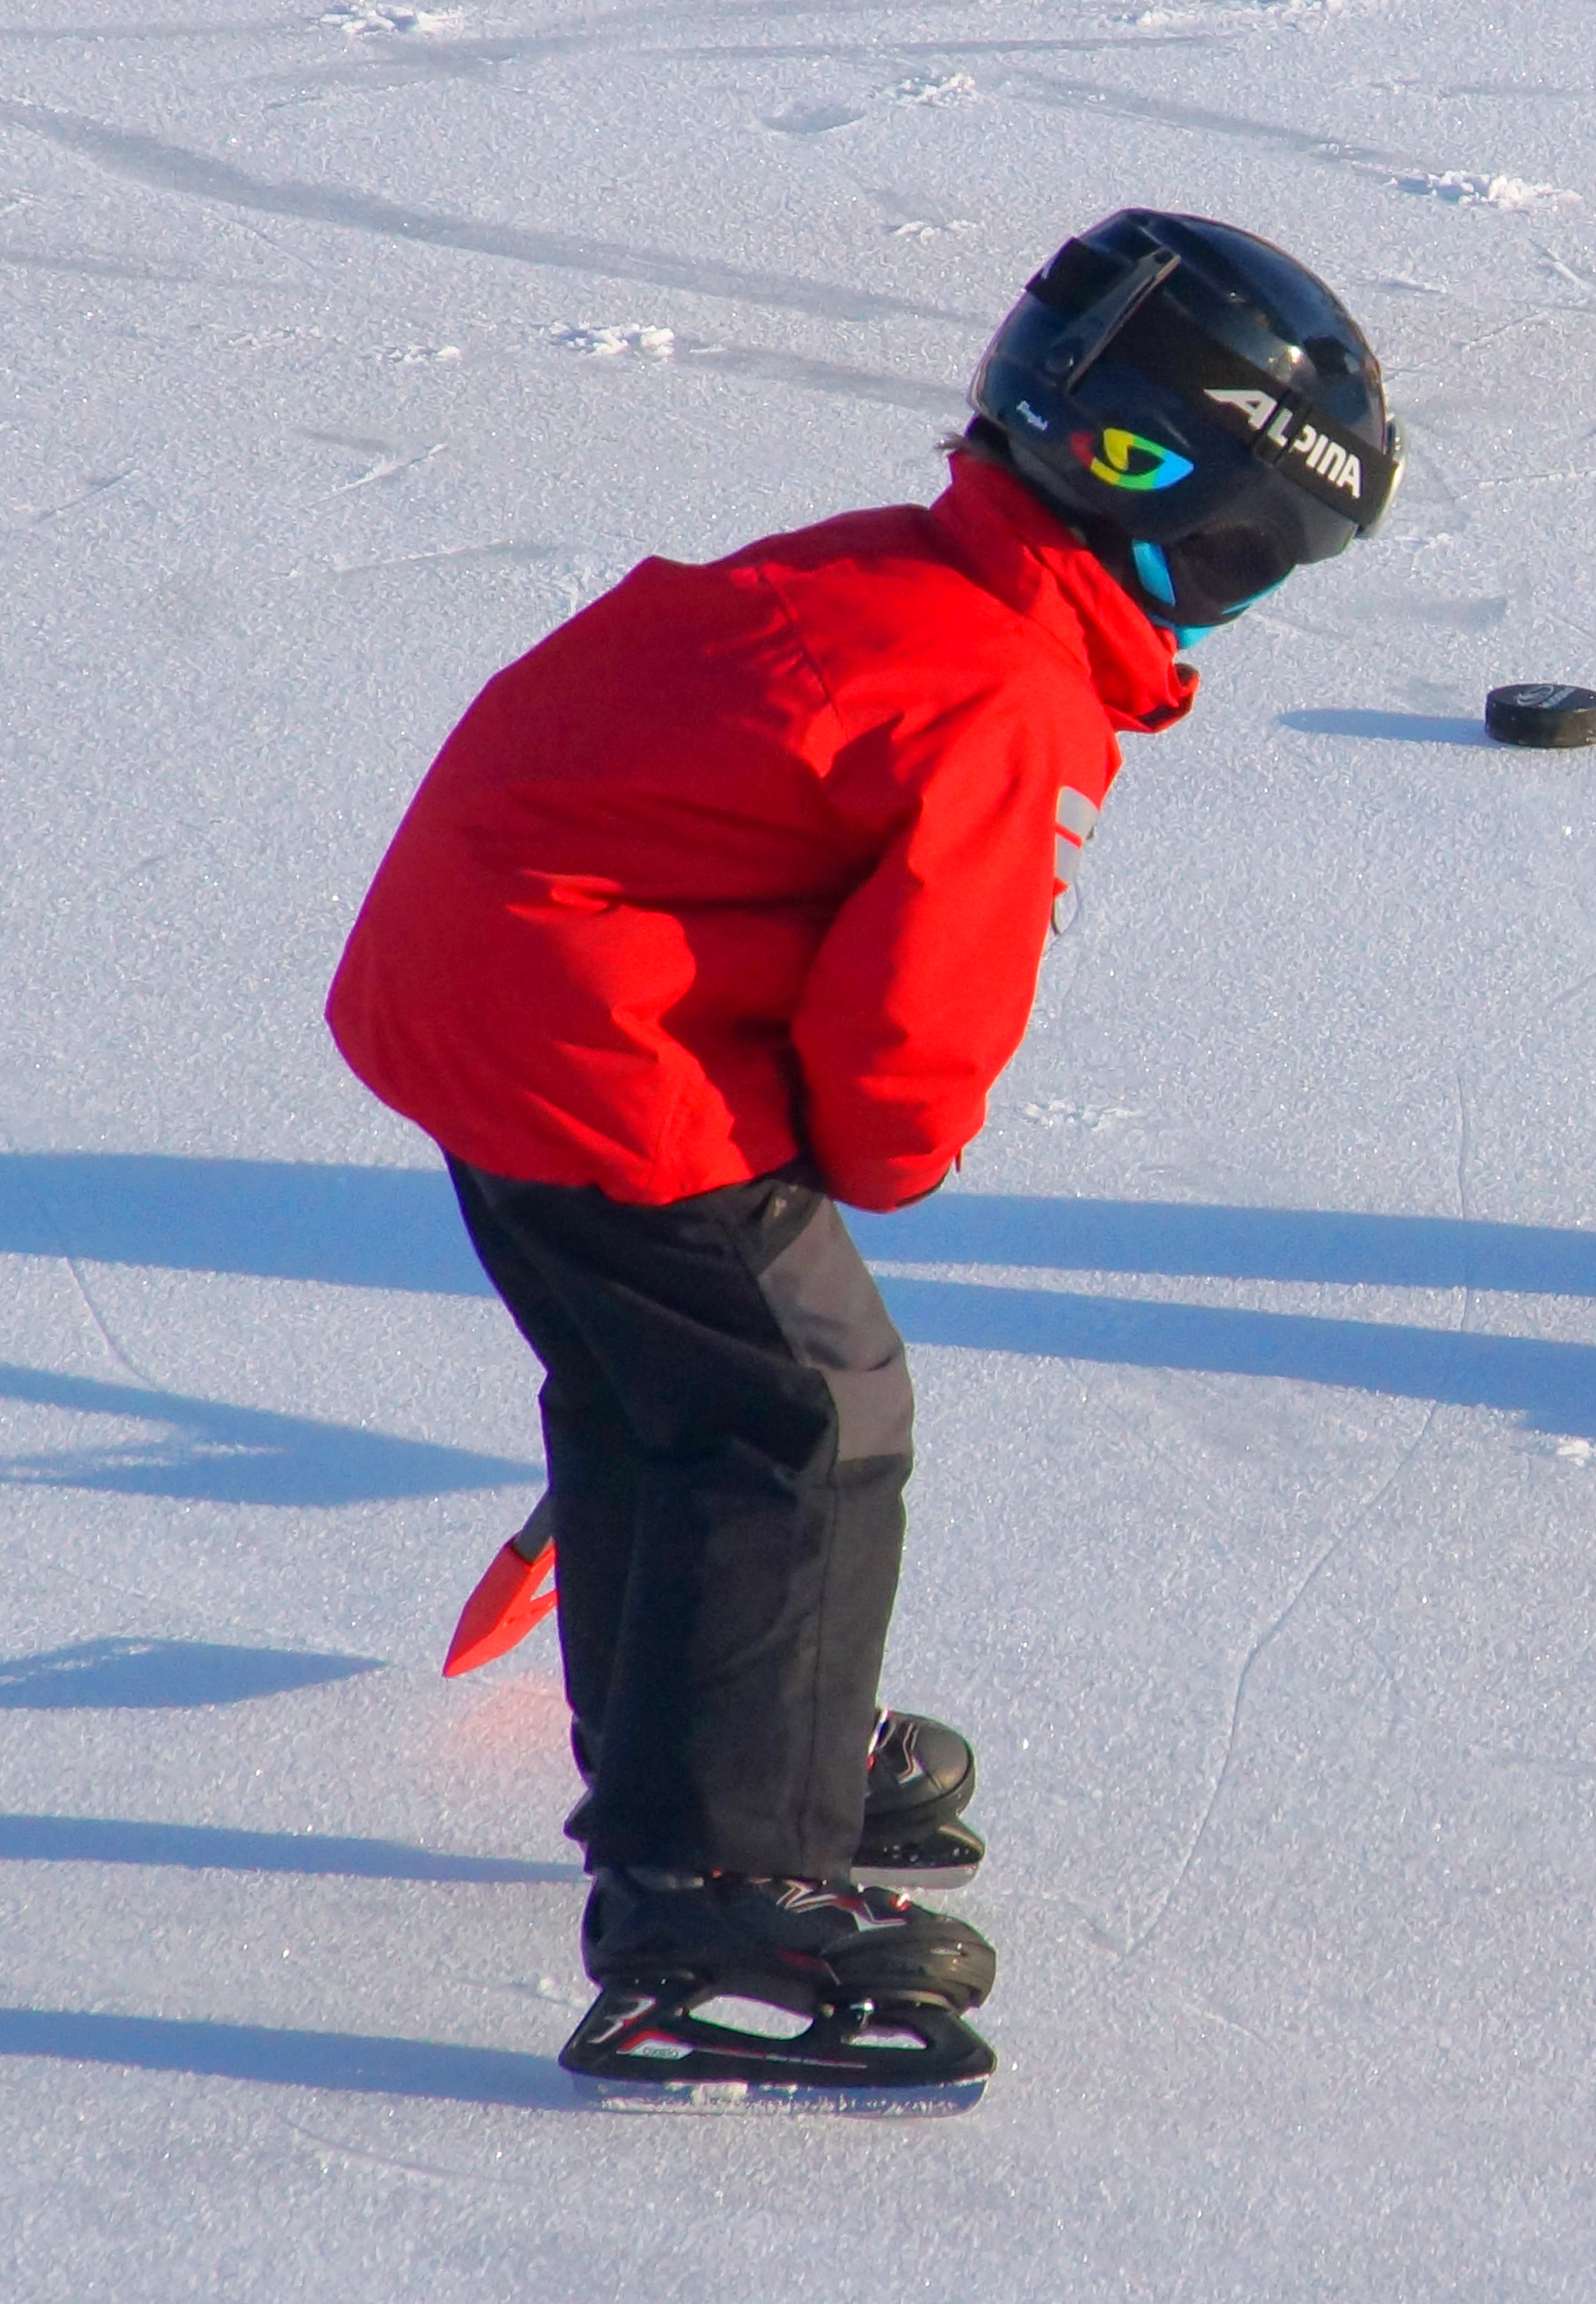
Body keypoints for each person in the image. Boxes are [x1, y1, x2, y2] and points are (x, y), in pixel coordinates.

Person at [326, 210, 1396, 2089]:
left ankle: (716, 1736)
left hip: (486, 993)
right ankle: (723, 1878)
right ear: (1157, 495)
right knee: (812, 1409)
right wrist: (853, 1153)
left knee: (658, 1391)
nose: (1224, 610)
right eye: (1240, 566)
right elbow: (908, 1057)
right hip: (600, 1041)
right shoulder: (1007, 696)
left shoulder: (906, 575)